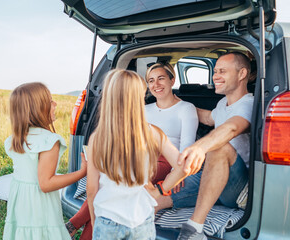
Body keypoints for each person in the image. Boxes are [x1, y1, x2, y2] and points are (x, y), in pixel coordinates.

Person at [65, 63, 199, 239]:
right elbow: (184, 166)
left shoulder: (97, 138)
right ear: (140, 95)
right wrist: (160, 190)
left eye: (161, 78)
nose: (156, 84)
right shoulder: (153, 131)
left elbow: (92, 190)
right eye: (151, 81)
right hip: (141, 220)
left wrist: (95, 220)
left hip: (108, 219)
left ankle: (73, 226)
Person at [154, 52, 253, 240]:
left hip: (237, 188)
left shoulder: (249, 103)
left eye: (222, 71)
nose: (215, 76)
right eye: (215, 71)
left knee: (219, 147)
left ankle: (194, 229)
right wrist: (175, 103)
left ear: (241, 74)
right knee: (154, 202)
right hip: (210, 176)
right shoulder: (223, 103)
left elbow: (232, 128)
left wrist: (199, 148)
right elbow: (208, 118)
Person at [3, 82, 87, 240]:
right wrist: (82, 172)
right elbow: (46, 184)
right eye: (50, 101)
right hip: (39, 206)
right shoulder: (49, 141)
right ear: (37, 109)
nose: (55, 103)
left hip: (21, 204)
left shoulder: (15, 139)